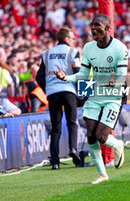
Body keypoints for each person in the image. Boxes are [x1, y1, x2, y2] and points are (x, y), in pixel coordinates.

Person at [54, 14, 127, 184]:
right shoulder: (87, 48)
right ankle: (102, 174)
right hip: (94, 95)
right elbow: (84, 74)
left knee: (102, 136)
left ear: (107, 28)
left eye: (97, 25)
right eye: (92, 25)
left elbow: (123, 76)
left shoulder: (119, 48)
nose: (93, 28)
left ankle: (117, 146)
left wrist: (114, 81)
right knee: (91, 136)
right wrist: (67, 78)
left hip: (112, 96)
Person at [36, 27, 81, 170]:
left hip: (52, 93)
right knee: (72, 123)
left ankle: (55, 162)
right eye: (73, 38)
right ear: (66, 39)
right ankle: (73, 148)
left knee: (55, 128)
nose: (74, 41)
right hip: (69, 91)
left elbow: (39, 77)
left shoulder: (46, 54)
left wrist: (47, 89)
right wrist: (81, 92)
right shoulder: (74, 52)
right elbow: (79, 72)